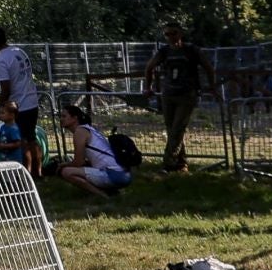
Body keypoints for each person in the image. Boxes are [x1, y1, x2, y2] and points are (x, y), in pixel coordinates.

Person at [142, 23, 215, 172]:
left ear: (181, 34)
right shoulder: (164, 51)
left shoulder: (191, 50)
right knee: (172, 130)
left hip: (187, 95)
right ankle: (181, 164)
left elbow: (208, 67)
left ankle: (168, 164)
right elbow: (149, 67)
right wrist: (148, 87)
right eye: (167, 34)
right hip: (168, 94)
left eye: (173, 33)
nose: (170, 37)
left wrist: (212, 86)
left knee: (177, 129)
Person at [0, 24, 44, 176]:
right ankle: (38, 172)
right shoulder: (19, 52)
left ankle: (26, 175)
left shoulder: (2, 60)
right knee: (31, 139)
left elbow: (6, 89)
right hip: (32, 102)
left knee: (22, 142)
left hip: (19, 106)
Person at [56, 101, 131, 198]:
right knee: (82, 167)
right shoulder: (89, 129)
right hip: (124, 174)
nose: (61, 119)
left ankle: (102, 195)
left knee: (66, 172)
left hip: (113, 174)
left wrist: (63, 165)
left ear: (75, 118)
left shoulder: (80, 132)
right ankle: (112, 192)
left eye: (64, 116)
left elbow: (78, 162)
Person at [0, 102, 28, 176]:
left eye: (3, 113)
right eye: (0, 113)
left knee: (13, 177)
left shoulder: (13, 129)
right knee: (6, 177)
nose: (0, 115)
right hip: (5, 159)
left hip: (14, 160)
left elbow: (18, 143)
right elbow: (0, 138)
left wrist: (3, 146)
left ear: (12, 115)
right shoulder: (3, 127)